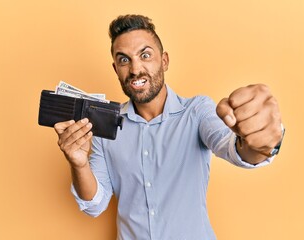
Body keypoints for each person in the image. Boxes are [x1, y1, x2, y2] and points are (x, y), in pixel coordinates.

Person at [54, 14, 284, 240]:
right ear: (116, 69)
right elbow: (94, 204)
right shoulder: (107, 128)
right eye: (124, 59)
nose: (135, 69)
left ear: (164, 61)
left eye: (145, 55)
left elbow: (233, 148)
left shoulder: (196, 111)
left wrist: (263, 143)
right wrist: (79, 163)